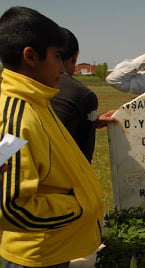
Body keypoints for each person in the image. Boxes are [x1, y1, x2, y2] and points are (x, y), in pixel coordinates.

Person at [0, 6, 103, 267]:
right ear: (31, 57)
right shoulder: (15, 119)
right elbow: (11, 206)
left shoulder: (37, 101)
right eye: (57, 57)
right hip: (37, 255)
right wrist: (77, 207)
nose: (62, 67)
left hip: (54, 247)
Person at [51, 27, 116, 162]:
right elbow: (84, 146)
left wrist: (94, 121)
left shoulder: (28, 88)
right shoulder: (83, 94)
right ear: (75, 56)